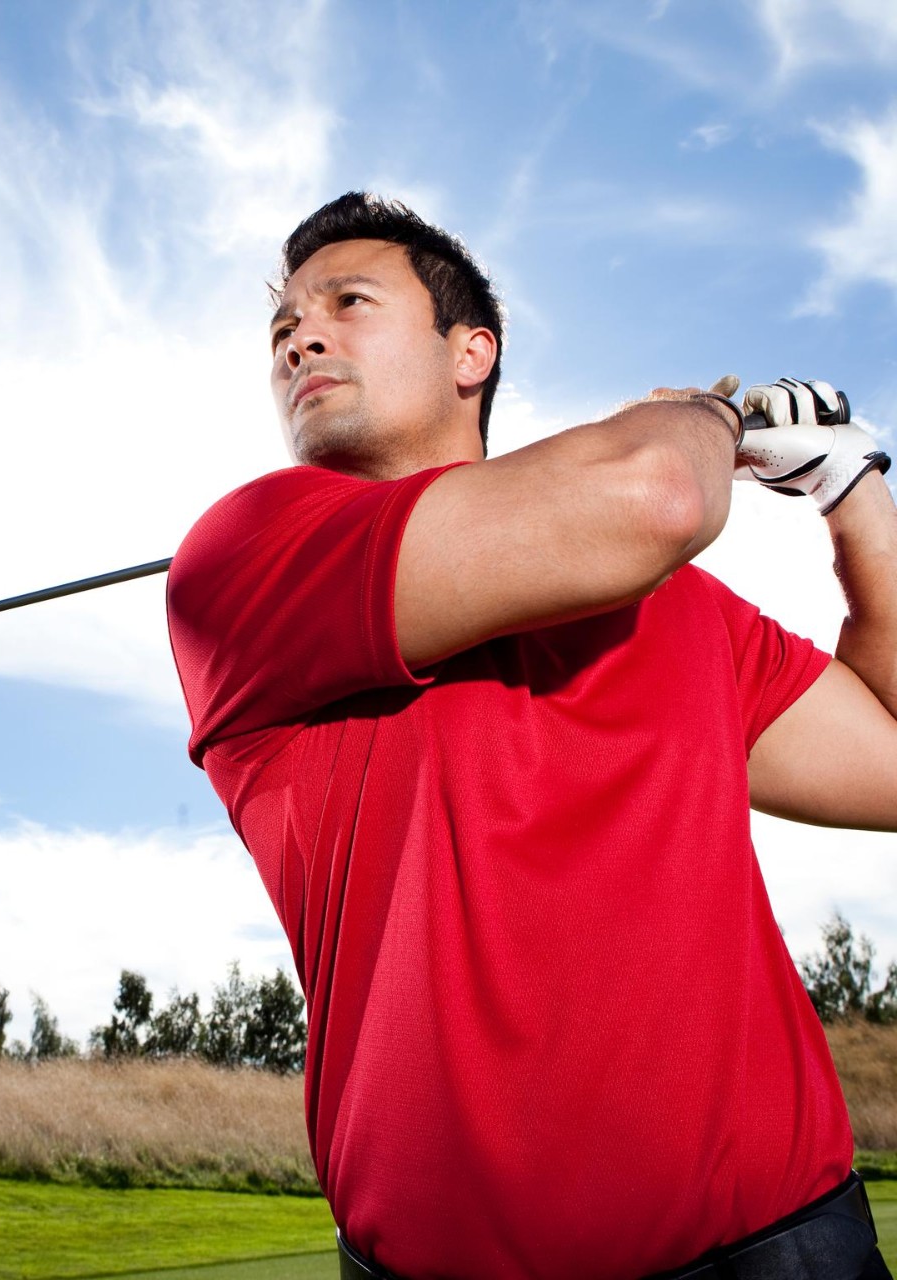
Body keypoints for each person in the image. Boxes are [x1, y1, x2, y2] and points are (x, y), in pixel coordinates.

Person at [165, 192, 897, 1279]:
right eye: (282, 328)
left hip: (785, 1240)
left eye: (345, 303)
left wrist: (853, 492)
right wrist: (710, 416)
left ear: (472, 352)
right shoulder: (246, 558)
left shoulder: (680, 609)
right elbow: (654, 494)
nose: (299, 337)